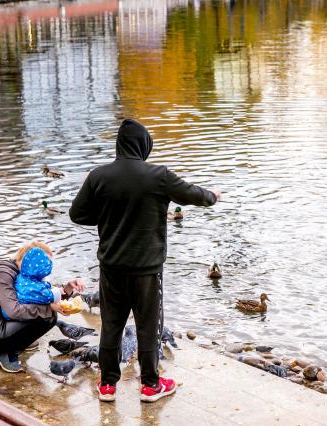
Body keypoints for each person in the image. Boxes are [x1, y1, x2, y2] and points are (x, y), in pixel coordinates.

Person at [70, 119, 220, 403]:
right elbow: (191, 194)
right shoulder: (158, 176)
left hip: (111, 269)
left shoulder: (98, 176)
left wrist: (104, 216)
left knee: (111, 325)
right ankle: (150, 385)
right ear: (144, 145)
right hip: (147, 272)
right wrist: (212, 196)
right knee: (148, 326)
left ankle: (107, 385)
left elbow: (77, 214)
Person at [0, 242, 86, 373]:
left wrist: (68, 287)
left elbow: (43, 295)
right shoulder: (2, 274)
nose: (45, 269)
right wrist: (49, 308)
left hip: (0, 326)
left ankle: (16, 343)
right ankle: (5, 354)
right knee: (48, 317)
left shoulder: (26, 274)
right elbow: (14, 311)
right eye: (44, 263)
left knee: (46, 313)